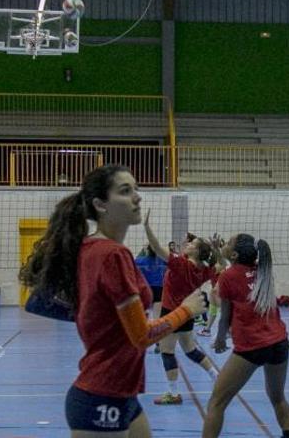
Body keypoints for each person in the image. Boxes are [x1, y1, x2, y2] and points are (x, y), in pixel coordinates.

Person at [19, 165, 206, 437]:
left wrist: (96, 318)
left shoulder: (90, 247)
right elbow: (141, 336)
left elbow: (45, 302)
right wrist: (186, 310)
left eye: (136, 189)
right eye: (125, 191)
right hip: (102, 396)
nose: (137, 197)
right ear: (100, 204)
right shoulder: (112, 255)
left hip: (122, 394)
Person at [202, 234, 289, 438]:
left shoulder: (228, 276)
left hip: (252, 346)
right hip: (279, 342)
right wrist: (220, 251)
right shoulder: (263, 271)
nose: (225, 244)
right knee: (278, 398)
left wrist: (219, 339)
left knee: (216, 403)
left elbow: (225, 315)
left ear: (235, 254)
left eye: (228, 243)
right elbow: (237, 272)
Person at [144, 215, 219, 405]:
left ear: (195, 251)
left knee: (167, 352)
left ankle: (173, 392)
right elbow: (218, 265)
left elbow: (157, 248)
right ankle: (217, 378)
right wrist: (216, 249)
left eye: (192, 243)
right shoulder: (204, 268)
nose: (188, 244)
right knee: (190, 350)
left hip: (172, 313)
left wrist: (147, 227)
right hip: (188, 312)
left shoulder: (181, 264)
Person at [135, 244, 167, 353]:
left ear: (147, 250)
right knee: (158, 318)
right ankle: (159, 343)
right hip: (159, 289)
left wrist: (142, 250)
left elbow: (132, 266)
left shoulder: (140, 260)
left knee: (143, 317)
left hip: (146, 290)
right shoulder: (162, 261)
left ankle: (140, 341)